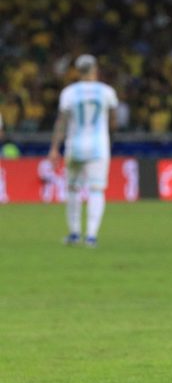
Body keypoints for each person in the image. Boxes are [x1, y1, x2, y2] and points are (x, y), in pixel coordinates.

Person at [48, 55, 119, 247]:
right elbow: (113, 122)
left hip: (75, 145)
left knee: (72, 188)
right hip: (98, 146)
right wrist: (110, 142)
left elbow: (61, 122)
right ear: (95, 69)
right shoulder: (107, 92)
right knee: (97, 190)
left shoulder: (69, 93)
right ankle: (91, 236)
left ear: (78, 70)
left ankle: (74, 233)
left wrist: (55, 148)